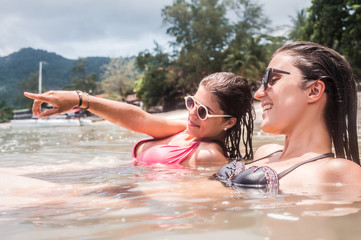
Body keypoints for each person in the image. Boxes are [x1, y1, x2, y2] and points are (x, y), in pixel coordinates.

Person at [213, 41, 361, 193]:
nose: (258, 93)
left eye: (273, 80)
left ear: (314, 91)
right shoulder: (266, 152)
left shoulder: (340, 173)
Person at [24, 72, 254, 167]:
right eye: (192, 102)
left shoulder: (209, 155)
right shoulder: (189, 130)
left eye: (203, 111)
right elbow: (140, 120)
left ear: (228, 122)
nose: (192, 113)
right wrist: (81, 99)